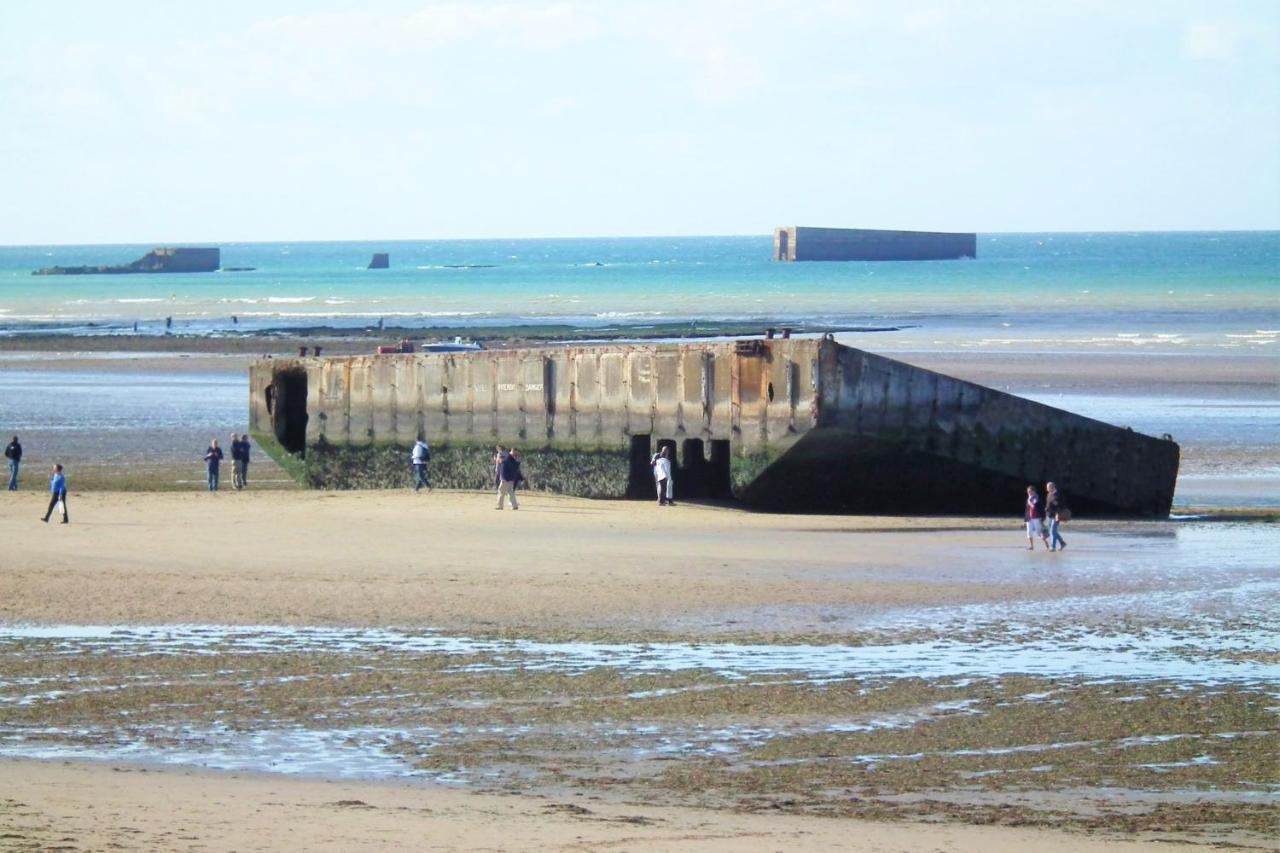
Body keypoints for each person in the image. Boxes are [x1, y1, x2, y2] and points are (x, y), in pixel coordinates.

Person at [1045, 481, 1067, 552]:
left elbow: (1062, 505)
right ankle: (1062, 543)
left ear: (1052, 487)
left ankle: (1053, 547)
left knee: (1052, 531)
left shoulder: (1058, 494)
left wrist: (1057, 504)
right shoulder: (1049, 494)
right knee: (1052, 531)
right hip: (1049, 515)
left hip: (1057, 515)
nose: (1047, 489)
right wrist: (1046, 508)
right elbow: (1048, 503)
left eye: (1048, 487)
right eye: (1047, 487)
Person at [1024, 485, 1043, 550]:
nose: (1029, 493)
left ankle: (1047, 544)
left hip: (1036, 517)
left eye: (1030, 491)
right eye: (1028, 491)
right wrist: (1026, 518)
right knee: (1029, 532)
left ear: (1034, 491)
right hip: (1029, 517)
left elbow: (1034, 506)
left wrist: (1029, 501)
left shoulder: (1036, 497)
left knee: (1039, 532)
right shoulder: (1029, 497)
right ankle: (1031, 546)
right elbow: (1027, 509)